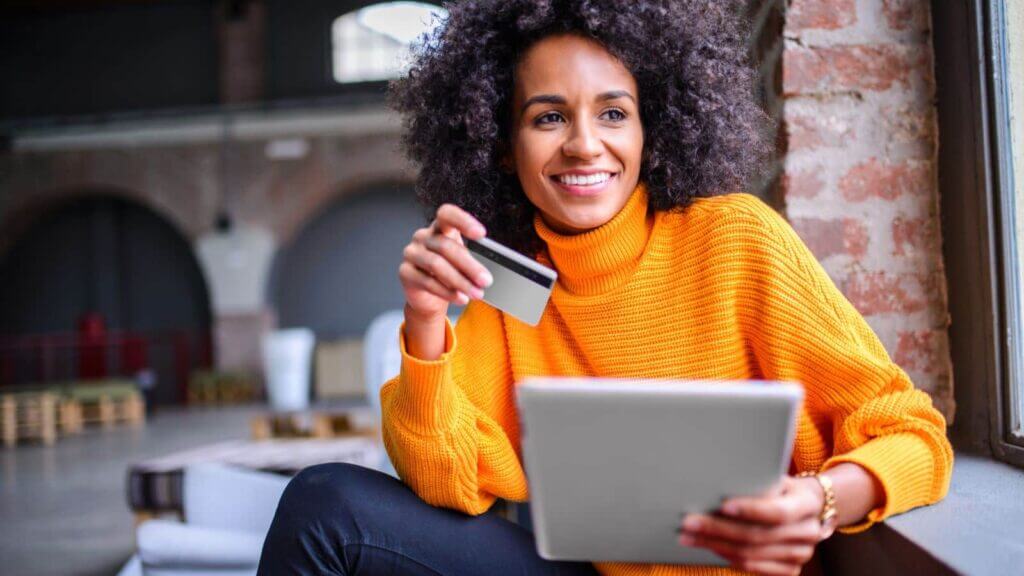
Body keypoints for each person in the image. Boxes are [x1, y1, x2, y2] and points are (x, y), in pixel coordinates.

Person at [257, 1, 953, 575]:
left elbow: (914, 435)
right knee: (324, 503)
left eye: (614, 113)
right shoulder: (511, 284)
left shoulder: (735, 240)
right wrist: (425, 320)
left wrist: (821, 500)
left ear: (653, 128)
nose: (585, 145)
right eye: (549, 117)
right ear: (501, 144)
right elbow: (447, 480)